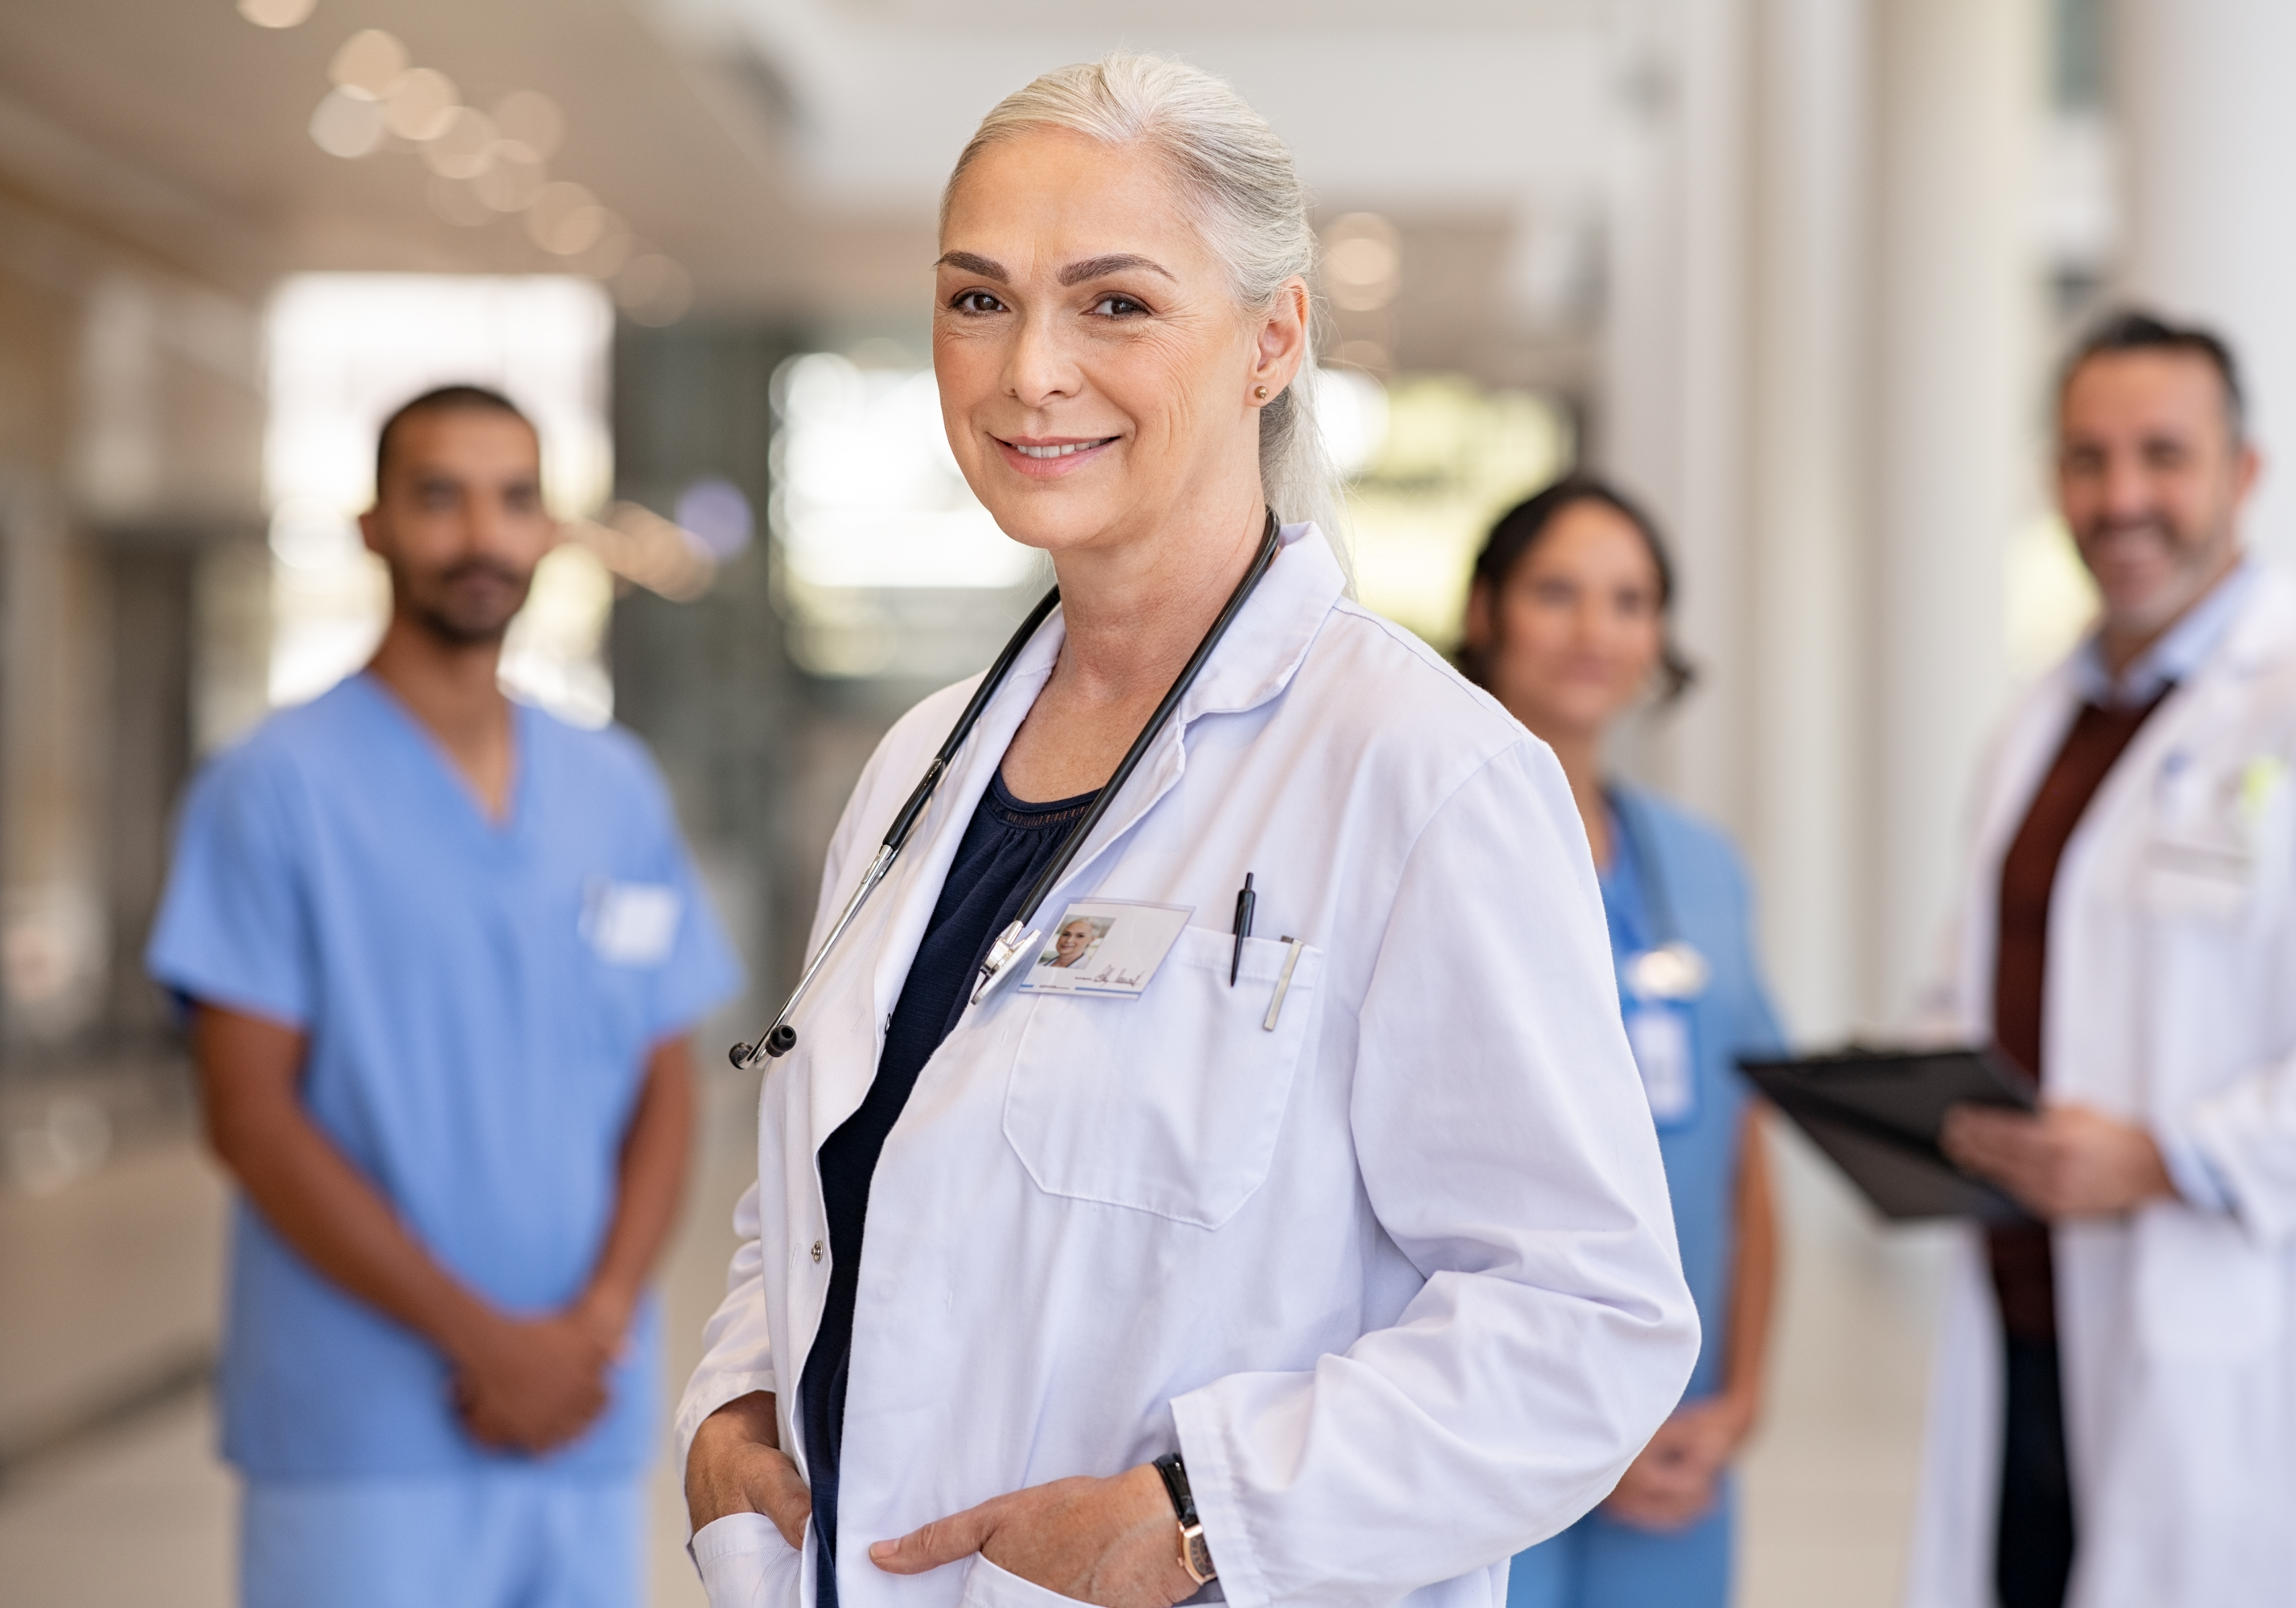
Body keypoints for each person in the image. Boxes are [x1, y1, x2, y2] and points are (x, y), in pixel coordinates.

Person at [677, 53, 1699, 1608]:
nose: (1029, 372)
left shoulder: (1421, 775)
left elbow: (1588, 1321)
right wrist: (735, 1407)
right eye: (978, 301)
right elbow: (835, 1179)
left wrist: (1203, 1512)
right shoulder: (913, 774)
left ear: (1271, 340)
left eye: (1116, 304)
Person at [148, 384, 741, 1608]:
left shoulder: (613, 788)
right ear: (375, 528)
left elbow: (664, 1086)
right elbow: (249, 1118)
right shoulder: (274, 788)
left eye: (514, 499)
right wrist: (491, 1346)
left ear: (549, 531)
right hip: (363, 1432)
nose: (481, 535)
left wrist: (593, 1328)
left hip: (581, 1413)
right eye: (439, 497)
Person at [1906, 312, 2296, 1608]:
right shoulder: (2044, 717)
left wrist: (2168, 1154)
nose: (2122, 497)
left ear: (2244, 475)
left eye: (2163, 456)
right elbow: (1980, 976)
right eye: (2088, 458)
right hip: (2029, 1317)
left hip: (2224, 1329)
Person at [1460, 478, 1784, 1608]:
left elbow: (1745, 1156)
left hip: (1677, 1438)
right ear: (1487, 609)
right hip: (1486, 1441)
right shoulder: (1429, 853)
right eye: (1559, 593)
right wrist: (1575, 1433)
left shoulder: (1702, 868)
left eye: (1631, 601)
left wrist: (1738, 1401)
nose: (1598, 632)